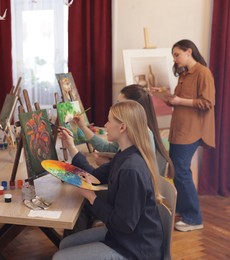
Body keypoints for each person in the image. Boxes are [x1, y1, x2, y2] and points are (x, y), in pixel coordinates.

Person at [53, 100, 164, 260]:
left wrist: (92, 197)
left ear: (122, 127)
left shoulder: (131, 169)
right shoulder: (124, 155)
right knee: (65, 245)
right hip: (121, 236)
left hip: (135, 248)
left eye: (109, 120)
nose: (105, 125)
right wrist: (71, 146)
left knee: (60, 257)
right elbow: (95, 175)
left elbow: (124, 224)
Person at [164, 39, 215, 232]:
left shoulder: (203, 73)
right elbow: (181, 101)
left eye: (177, 54)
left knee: (182, 171)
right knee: (177, 171)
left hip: (191, 130)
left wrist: (179, 101)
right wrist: (167, 97)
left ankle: (194, 218)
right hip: (179, 129)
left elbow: (207, 102)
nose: (175, 59)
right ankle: (187, 211)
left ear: (189, 52)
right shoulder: (184, 74)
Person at [75, 84, 174, 178]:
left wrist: (109, 165)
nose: (116, 106)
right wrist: (83, 127)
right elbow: (107, 148)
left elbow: (134, 170)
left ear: (133, 108)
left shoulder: (141, 137)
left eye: (120, 103)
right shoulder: (134, 132)